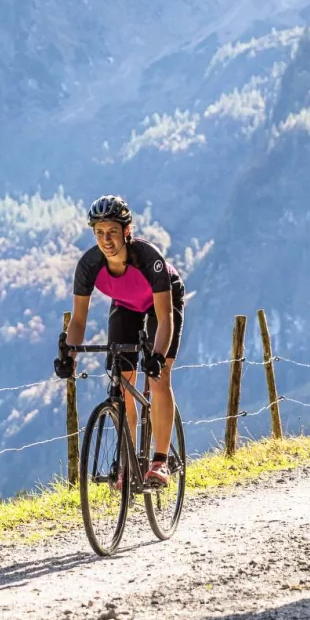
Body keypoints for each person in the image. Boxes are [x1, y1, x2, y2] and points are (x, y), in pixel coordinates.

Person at [54, 195, 184, 488]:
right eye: (99, 232)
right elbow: (78, 321)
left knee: (158, 378)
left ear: (126, 231)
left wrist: (157, 356)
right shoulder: (89, 266)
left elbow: (165, 320)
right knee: (122, 381)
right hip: (125, 304)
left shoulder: (149, 260)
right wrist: (68, 357)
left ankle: (160, 461)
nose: (106, 239)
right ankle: (129, 461)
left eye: (112, 231)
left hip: (161, 303)